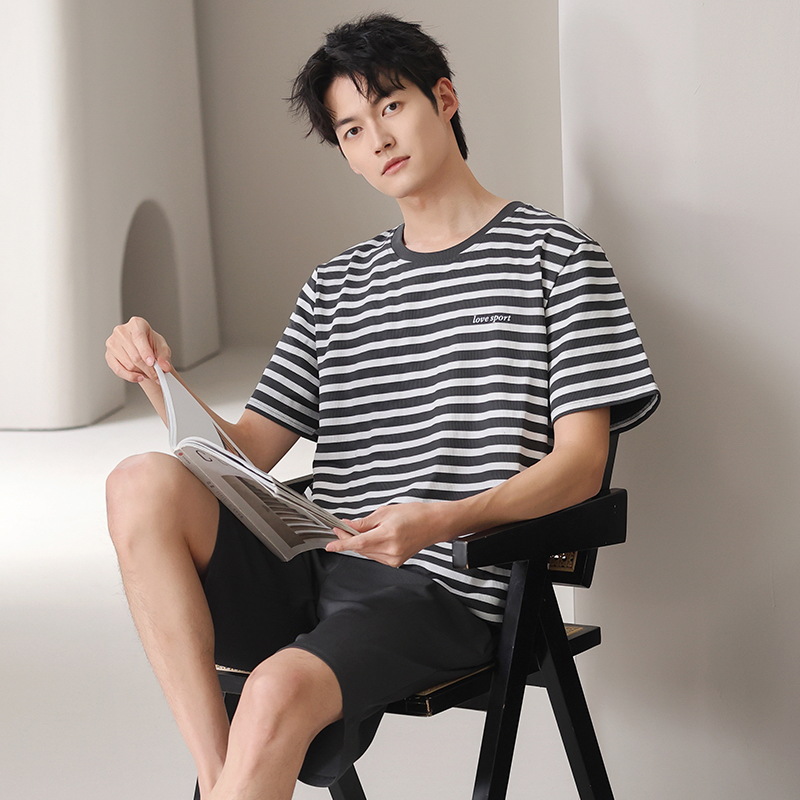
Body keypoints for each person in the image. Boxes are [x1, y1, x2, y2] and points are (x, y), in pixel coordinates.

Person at [105, 13, 659, 800]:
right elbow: (246, 454)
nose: (379, 141)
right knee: (138, 481)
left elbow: (581, 468)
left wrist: (440, 521)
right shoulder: (336, 286)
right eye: (353, 130)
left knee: (274, 691)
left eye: (391, 106)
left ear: (444, 99)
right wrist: (158, 376)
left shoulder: (558, 259)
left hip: (442, 586)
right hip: (312, 564)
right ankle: (219, 776)